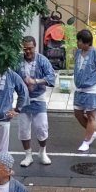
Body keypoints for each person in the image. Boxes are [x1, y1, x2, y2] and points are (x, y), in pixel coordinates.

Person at [16, 35, 56, 167]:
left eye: (30, 48)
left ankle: (42, 152)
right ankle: (28, 155)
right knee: (23, 128)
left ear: (35, 47)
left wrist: (36, 81)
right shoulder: (17, 61)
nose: (27, 51)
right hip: (23, 98)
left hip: (38, 97)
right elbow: (12, 77)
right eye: (25, 49)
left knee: (42, 127)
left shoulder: (42, 60)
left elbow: (51, 78)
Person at [0, 69, 29, 177]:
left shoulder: (12, 76)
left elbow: (23, 91)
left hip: (3, 118)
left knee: (0, 151)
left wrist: (17, 110)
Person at [74, 29, 96, 152]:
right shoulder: (78, 53)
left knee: (91, 116)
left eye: (80, 41)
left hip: (92, 89)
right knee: (77, 113)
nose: (77, 43)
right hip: (79, 88)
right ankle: (91, 132)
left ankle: (86, 141)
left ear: (87, 43)